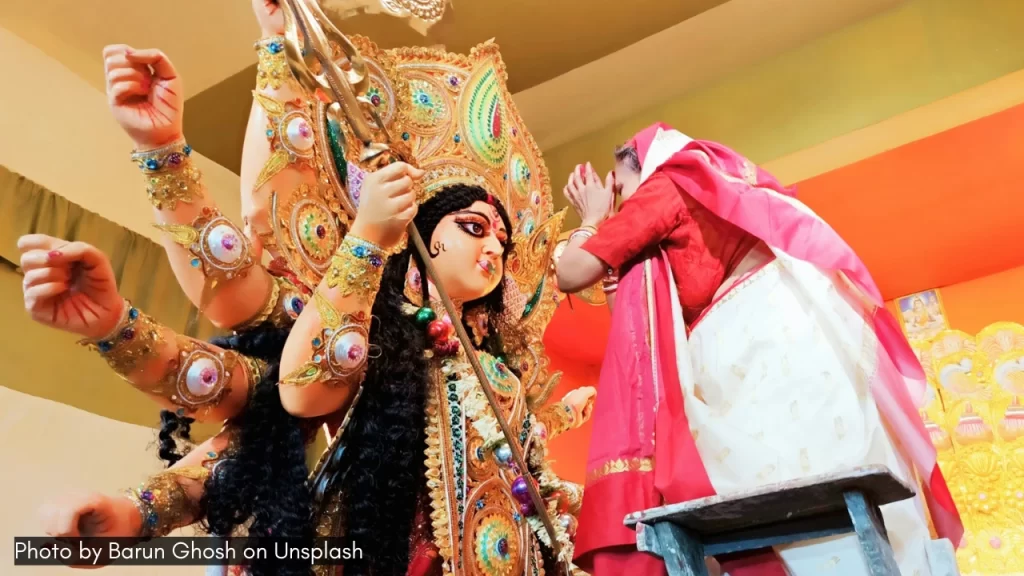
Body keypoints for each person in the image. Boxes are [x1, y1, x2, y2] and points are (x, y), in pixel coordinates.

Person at [19, 4, 595, 575]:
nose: (493, 246)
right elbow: (262, 405)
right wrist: (134, 512)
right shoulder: (364, 327)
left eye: (502, 238)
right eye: (471, 227)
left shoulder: (495, 374)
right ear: (413, 233)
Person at [555, 123, 963, 575]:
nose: (620, 203)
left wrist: (592, 218)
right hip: (775, 343)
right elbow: (631, 328)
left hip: (762, 350)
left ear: (643, 164)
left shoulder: (664, 186)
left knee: (788, 503)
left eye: (619, 187)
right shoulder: (689, 198)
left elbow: (571, 272)